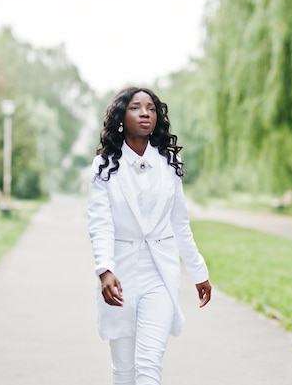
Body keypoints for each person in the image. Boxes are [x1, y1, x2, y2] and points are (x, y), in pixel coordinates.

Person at [87, 87, 212, 385]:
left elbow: (180, 222)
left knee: (148, 364)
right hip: (120, 276)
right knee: (124, 370)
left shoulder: (169, 164)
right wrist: (105, 271)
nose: (145, 113)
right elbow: (100, 223)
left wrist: (198, 272)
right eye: (135, 107)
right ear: (121, 116)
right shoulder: (104, 166)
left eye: (151, 108)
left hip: (160, 273)